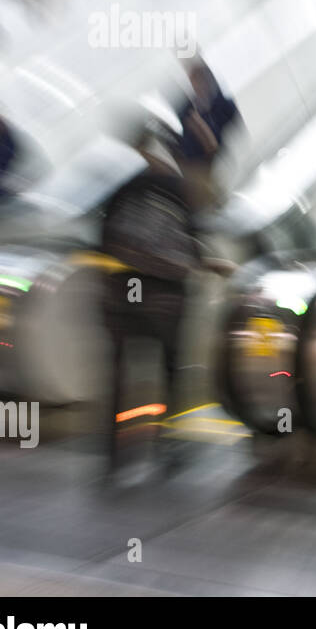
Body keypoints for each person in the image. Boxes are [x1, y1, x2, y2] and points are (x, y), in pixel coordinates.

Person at [100, 123, 232, 481]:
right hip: (165, 299)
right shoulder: (176, 187)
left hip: (120, 296)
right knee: (169, 373)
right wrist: (208, 264)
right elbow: (189, 237)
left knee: (119, 375)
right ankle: (163, 449)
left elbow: (103, 237)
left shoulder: (121, 185)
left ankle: (114, 457)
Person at [175, 60, 241, 212]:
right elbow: (206, 142)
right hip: (192, 155)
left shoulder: (221, 105)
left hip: (201, 156)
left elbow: (213, 142)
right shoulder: (190, 105)